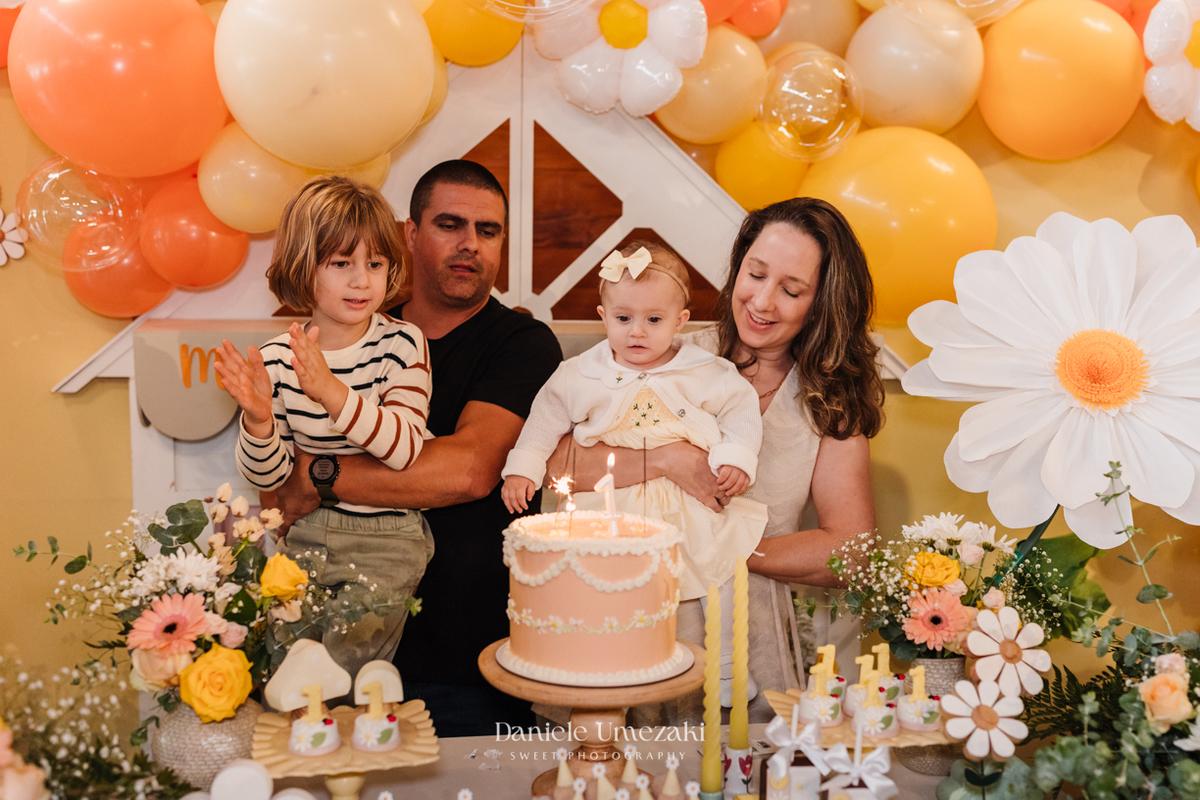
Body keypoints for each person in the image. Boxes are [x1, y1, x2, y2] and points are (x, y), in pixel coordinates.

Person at [544, 198, 884, 724]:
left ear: (822, 304)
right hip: (630, 606)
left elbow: (850, 551)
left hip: (746, 627)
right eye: (756, 274)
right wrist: (664, 458)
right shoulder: (663, 351)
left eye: (791, 290)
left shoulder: (828, 404)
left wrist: (720, 551)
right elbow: (560, 468)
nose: (763, 302)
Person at [269, 160, 563, 736]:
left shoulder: (522, 344)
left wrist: (318, 474)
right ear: (407, 235)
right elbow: (274, 483)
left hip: (469, 662)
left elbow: (469, 471)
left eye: (488, 230)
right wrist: (293, 470)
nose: (469, 245)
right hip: (330, 638)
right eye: (449, 224)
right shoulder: (340, 334)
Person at [500, 241, 769, 704]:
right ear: (603, 315)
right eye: (623, 319)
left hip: (689, 502)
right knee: (607, 590)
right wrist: (521, 470)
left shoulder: (708, 371)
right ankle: (596, 661)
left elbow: (742, 413)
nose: (636, 332)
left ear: (681, 321)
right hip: (611, 503)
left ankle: (726, 670)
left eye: (654, 320)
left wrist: (736, 459)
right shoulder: (578, 374)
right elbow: (543, 423)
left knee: (720, 577)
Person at [215, 176, 432, 681]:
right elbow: (269, 478)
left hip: (387, 539)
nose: (362, 281)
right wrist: (259, 418)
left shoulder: (402, 344)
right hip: (307, 534)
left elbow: (403, 448)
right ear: (302, 267)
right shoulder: (276, 360)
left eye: (375, 264)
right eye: (341, 264)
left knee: (344, 675)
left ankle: (353, 751)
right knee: (288, 672)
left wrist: (330, 390)